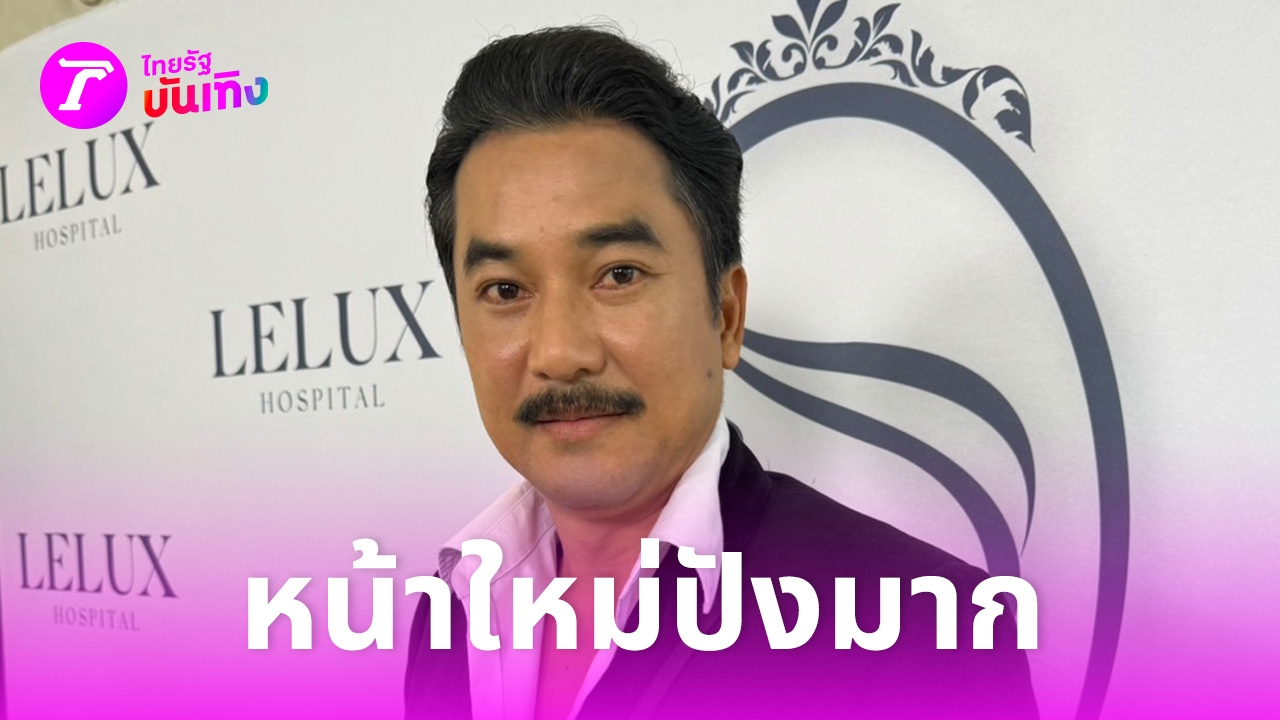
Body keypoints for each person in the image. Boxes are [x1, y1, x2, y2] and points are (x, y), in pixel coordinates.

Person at [405, 25, 1038, 720]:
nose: (559, 352)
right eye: (504, 290)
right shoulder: (454, 608)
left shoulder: (924, 630)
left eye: (619, 274)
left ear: (726, 315)